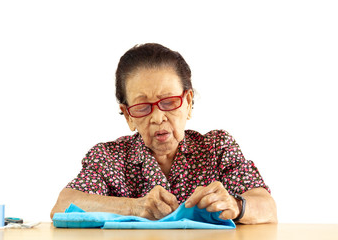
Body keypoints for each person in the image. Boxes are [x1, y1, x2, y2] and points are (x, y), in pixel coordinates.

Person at [50, 43, 277, 224]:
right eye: (142, 107)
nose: (158, 117)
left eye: (169, 102)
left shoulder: (217, 147)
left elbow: (267, 207)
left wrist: (236, 206)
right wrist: (135, 207)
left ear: (188, 103)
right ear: (128, 116)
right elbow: (64, 205)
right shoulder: (109, 158)